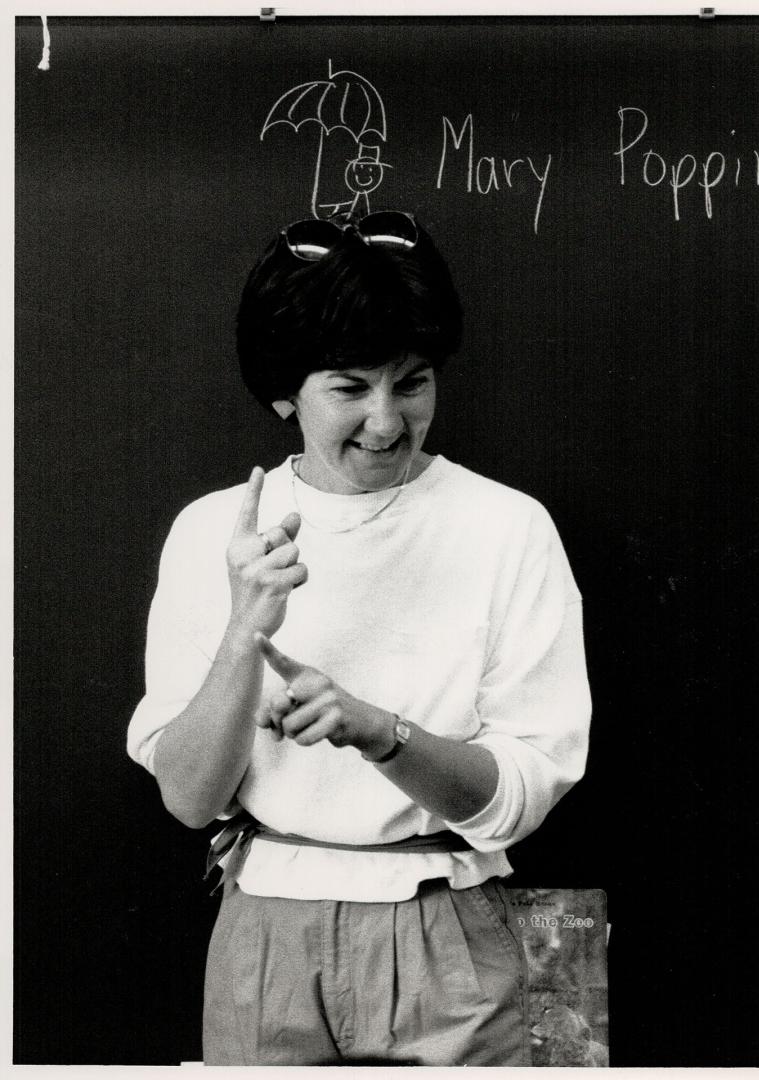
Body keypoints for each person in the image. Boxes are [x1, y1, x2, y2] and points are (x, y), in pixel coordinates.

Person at [127, 210, 591, 1066]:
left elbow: (522, 798)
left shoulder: (507, 527)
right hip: (261, 925)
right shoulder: (208, 535)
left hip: (449, 926)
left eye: (411, 382)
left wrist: (379, 731)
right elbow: (190, 801)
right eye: (348, 387)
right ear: (283, 393)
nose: (386, 421)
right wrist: (242, 635)